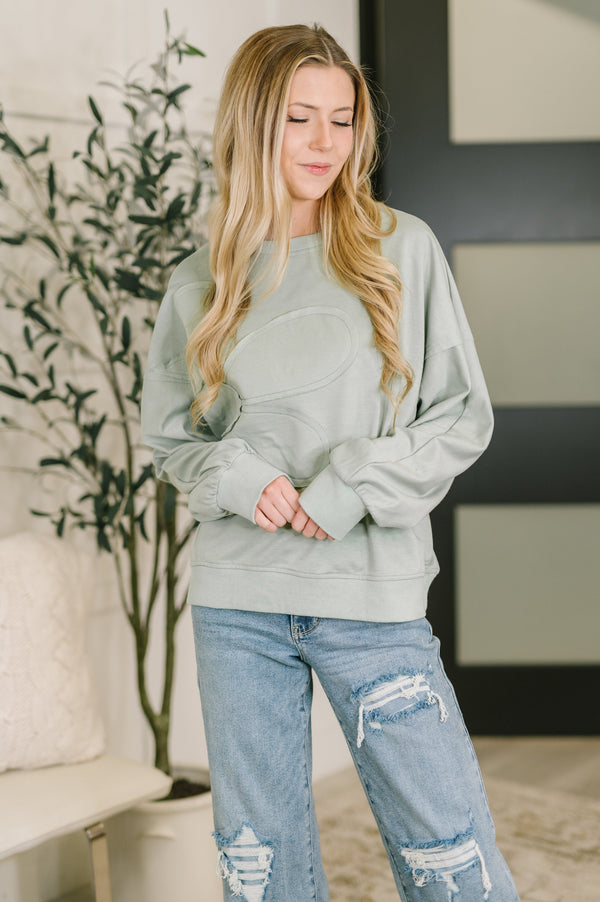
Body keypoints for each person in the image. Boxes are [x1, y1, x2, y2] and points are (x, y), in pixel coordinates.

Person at [141, 22, 520, 902]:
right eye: (299, 119)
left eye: (342, 120)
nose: (324, 143)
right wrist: (241, 479)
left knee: (450, 856)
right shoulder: (199, 281)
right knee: (260, 868)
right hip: (239, 605)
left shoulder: (402, 249)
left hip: (369, 598)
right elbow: (172, 437)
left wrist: (349, 484)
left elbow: (462, 415)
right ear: (250, 125)